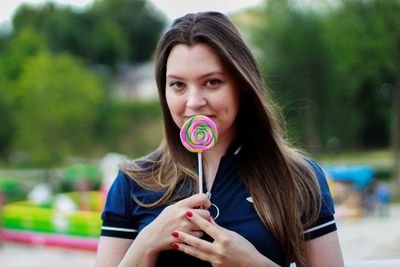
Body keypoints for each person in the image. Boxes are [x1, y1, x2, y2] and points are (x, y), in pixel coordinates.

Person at [95, 11, 344, 267]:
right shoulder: (133, 183)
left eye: (212, 82)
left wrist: (250, 263)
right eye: (178, 85)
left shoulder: (298, 178)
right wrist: (147, 242)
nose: (194, 102)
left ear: (243, 83)